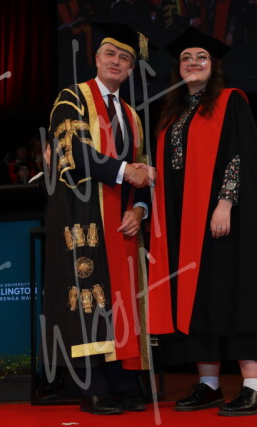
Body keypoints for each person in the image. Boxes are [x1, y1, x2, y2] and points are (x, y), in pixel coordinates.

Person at [148, 27, 257, 417]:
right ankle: (209, 385)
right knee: (202, 301)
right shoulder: (174, 112)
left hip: (224, 221)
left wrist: (225, 202)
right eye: (186, 58)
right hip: (185, 226)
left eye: (201, 57)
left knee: (235, 294)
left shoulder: (230, 101)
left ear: (213, 65)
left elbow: (240, 155)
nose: (193, 63)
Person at [42, 23, 155, 416]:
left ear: (131, 69)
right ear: (96, 58)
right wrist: (126, 172)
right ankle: (93, 387)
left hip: (121, 222)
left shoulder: (132, 116)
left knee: (122, 300)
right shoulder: (72, 98)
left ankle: (123, 381)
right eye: (111, 54)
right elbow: (72, 150)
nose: (117, 62)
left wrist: (139, 210)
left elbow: (144, 172)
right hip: (83, 215)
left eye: (125, 58)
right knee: (89, 301)